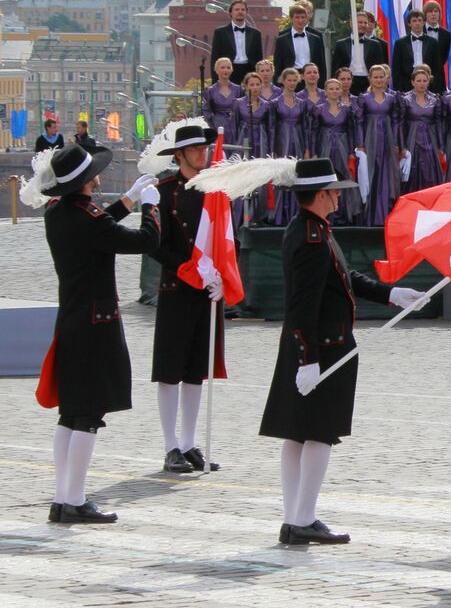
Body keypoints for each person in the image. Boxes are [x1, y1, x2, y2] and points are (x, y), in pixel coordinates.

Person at [256, 157, 423, 544]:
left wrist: (392, 294)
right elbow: (302, 304)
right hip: (322, 349)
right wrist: (309, 359)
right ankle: (303, 518)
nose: (337, 197)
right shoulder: (311, 238)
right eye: (332, 191)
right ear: (318, 194)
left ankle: (295, 516)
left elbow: (346, 281)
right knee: (317, 434)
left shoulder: (312, 229)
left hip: (313, 348)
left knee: (298, 433)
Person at [25, 144, 159, 523]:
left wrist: (128, 200)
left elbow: (101, 226)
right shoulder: (89, 219)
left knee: (71, 414)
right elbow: (144, 242)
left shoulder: (59, 213)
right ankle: (75, 500)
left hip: (71, 319)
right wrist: (150, 206)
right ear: (85, 182)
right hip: (96, 324)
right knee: (88, 415)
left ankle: (63, 496)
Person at [148, 120, 223, 474]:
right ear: (179, 155)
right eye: (195, 150)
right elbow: (155, 245)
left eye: (204, 149)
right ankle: (170, 446)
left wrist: (222, 273)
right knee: (170, 369)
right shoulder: (163, 191)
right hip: (177, 287)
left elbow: (225, 237)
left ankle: (190, 443)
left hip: (207, 289)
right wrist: (187, 269)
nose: (201, 154)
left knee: (197, 370)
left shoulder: (214, 189)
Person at [352, 64, 401, 226]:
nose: (379, 80)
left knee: (387, 174)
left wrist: (395, 142)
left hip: (387, 138)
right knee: (371, 174)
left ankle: (387, 214)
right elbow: (359, 122)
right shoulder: (363, 98)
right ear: (370, 79)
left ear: (386, 78)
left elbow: (396, 122)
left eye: (382, 77)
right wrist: (360, 143)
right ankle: (371, 216)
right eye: (376, 77)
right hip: (370, 138)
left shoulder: (392, 98)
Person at [313, 77, 361, 226]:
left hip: (342, 145)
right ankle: (325, 213)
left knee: (343, 176)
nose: (334, 91)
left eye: (337, 88)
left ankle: (344, 213)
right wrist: (313, 151)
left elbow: (352, 130)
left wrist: (352, 150)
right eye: (331, 88)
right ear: (325, 91)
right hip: (325, 145)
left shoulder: (347, 109)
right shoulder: (318, 108)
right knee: (325, 178)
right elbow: (313, 131)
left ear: (341, 90)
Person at [271, 68, 313, 225]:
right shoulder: (274, 103)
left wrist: (307, 148)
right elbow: (272, 127)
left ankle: (296, 213)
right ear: (282, 81)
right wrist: (272, 149)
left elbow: (306, 127)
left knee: (296, 175)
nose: (291, 83)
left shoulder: (302, 103)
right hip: (281, 140)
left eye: (294, 80)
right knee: (282, 175)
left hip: (298, 140)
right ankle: (280, 214)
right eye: (288, 80)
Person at [233, 72, 273, 225]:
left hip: (261, 141)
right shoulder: (238, 103)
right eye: (252, 84)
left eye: (258, 84)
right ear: (245, 86)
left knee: (260, 178)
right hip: (244, 140)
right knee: (243, 176)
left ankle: (257, 216)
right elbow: (233, 126)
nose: (255, 88)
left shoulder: (267, 105)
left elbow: (270, 128)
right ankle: (240, 216)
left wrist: (270, 148)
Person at [400, 65, 443, 195]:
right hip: (412, 140)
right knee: (412, 172)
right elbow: (400, 124)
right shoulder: (404, 99)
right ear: (412, 82)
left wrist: (440, 146)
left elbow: (438, 123)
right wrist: (401, 145)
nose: (422, 83)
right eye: (418, 81)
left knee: (431, 172)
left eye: (425, 80)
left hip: (430, 140)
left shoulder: (435, 99)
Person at [331, 12, 389, 96]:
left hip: (369, 83)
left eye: (365, 23)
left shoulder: (375, 45)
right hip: (347, 83)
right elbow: (335, 68)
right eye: (360, 22)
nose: (363, 25)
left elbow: (380, 67)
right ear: (351, 23)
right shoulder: (341, 44)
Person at [210, 0, 263, 85]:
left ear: (246, 12)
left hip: (249, 71)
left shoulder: (255, 33)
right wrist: (215, 82)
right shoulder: (220, 32)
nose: (240, 12)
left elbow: (259, 59)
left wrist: (258, 79)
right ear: (231, 12)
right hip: (228, 71)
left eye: (243, 9)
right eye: (237, 9)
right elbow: (215, 58)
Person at [391, 10, 444, 93]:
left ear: (424, 22)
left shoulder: (432, 42)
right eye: (414, 21)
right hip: (406, 84)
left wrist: (437, 89)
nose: (417, 23)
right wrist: (398, 89)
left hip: (428, 84)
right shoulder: (400, 43)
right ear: (409, 23)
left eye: (420, 20)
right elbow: (396, 68)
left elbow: (437, 67)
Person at [273, 3, 327, 83]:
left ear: (307, 19)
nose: (300, 20)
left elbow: (321, 64)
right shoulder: (282, 40)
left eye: (303, 17)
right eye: (297, 17)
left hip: (311, 79)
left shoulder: (316, 39)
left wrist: (322, 84)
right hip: (291, 81)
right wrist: (278, 84)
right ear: (291, 19)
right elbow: (278, 65)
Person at [203, 58, 242, 135]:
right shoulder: (210, 90)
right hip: (217, 127)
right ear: (216, 70)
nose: (226, 70)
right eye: (222, 67)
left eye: (228, 67)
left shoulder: (239, 89)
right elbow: (206, 112)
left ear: (232, 70)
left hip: (235, 128)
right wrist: (212, 129)